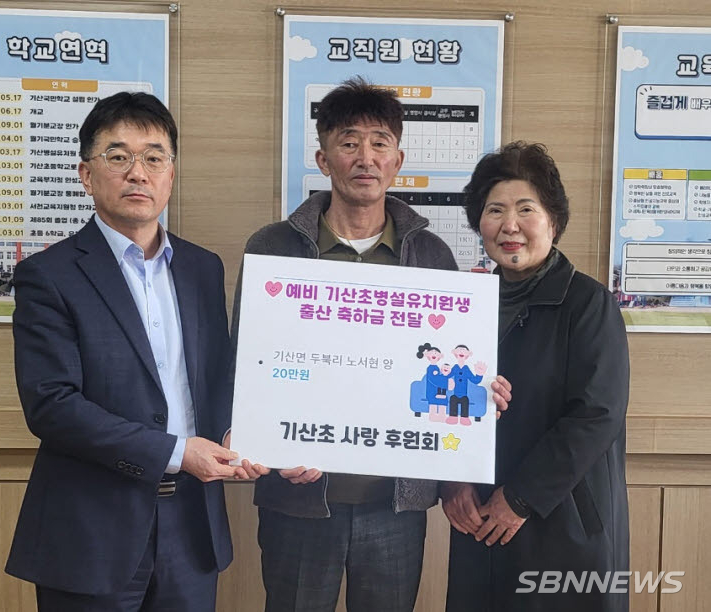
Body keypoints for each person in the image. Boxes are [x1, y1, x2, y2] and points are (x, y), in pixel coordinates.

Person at [231, 76, 511, 612]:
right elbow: (244, 364)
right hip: (298, 501)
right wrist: (268, 444)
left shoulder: (430, 254)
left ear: (397, 160)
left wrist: (479, 396)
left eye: (380, 142)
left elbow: (446, 373)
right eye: (349, 142)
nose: (366, 157)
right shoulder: (273, 248)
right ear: (323, 158)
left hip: (395, 504)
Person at [5, 91, 267, 611]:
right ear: (86, 174)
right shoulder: (48, 275)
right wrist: (176, 452)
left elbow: (217, 378)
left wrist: (237, 435)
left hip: (192, 526)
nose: (137, 173)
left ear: (171, 173)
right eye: (118, 156)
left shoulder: (202, 268)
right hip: (91, 531)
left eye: (154, 157)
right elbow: (52, 405)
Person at [441, 141, 629, 611]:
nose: (510, 225)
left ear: (553, 222)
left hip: (562, 519)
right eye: (495, 210)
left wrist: (521, 498)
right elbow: (440, 403)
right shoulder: (463, 305)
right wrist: (452, 483)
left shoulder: (588, 303)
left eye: (526, 209)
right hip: (479, 517)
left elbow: (597, 415)